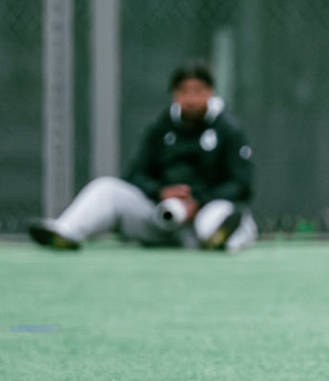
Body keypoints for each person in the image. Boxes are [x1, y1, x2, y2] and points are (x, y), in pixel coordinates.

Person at [27, 60, 257, 252]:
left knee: (221, 216)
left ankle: (222, 239)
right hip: (160, 218)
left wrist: (197, 202)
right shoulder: (160, 127)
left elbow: (241, 184)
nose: (191, 99)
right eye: (184, 91)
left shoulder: (229, 130)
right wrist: (161, 192)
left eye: (198, 91)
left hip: (203, 215)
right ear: (174, 95)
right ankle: (66, 232)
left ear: (210, 92)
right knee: (106, 189)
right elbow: (134, 174)